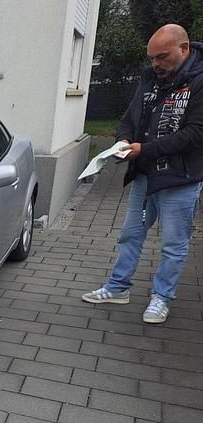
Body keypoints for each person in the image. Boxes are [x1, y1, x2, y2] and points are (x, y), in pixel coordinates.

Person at [82, 24, 203, 324]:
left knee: (173, 244)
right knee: (130, 235)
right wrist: (123, 140)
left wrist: (143, 149)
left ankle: (161, 298)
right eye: (151, 58)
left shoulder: (199, 82)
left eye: (161, 57)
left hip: (180, 180)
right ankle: (118, 287)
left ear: (184, 49)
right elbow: (127, 118)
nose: (155, 64)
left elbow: (195, 134)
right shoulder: (149, 78)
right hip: (145, 175)